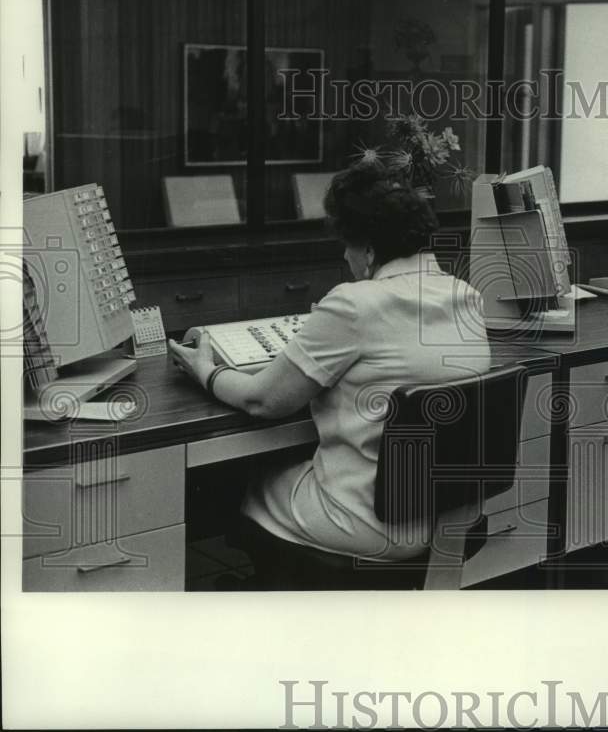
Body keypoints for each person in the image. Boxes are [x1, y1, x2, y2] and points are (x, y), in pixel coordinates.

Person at [168, 166, 492, 562]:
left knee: (242, 485)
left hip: (371, 524)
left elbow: (262, 401)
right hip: (451, 516)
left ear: (370, 251)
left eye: (348, 245)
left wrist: (205, 369)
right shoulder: (468, 297)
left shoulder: (354, 304)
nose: (344, 255)